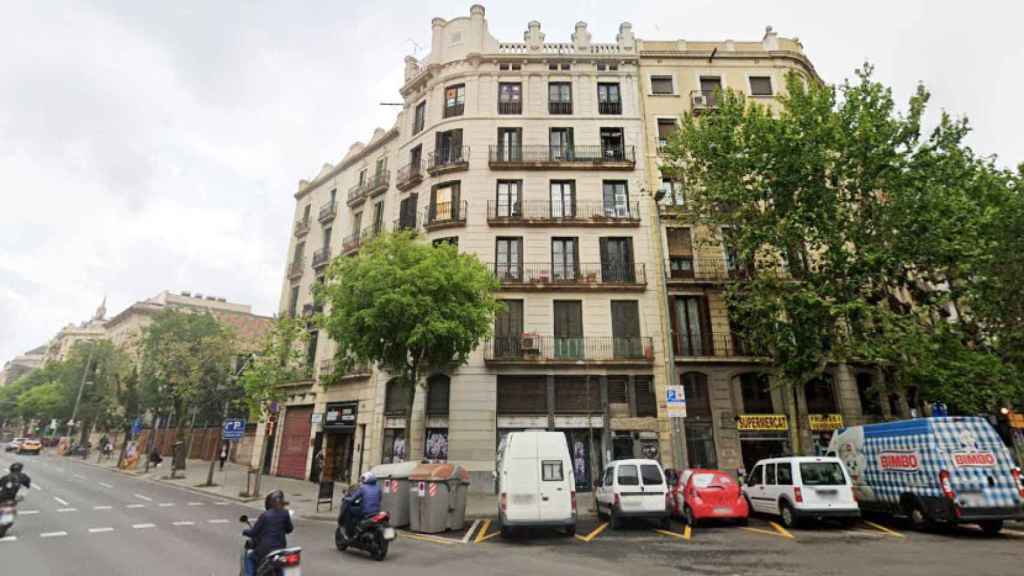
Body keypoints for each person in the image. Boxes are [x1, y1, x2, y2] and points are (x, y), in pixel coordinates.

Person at [243, 489, 293, 576]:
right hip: (280, 550)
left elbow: (254, 532)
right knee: (282, 565)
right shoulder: (285, 513)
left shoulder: (265, 515)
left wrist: (245, 531)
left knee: (249, 557)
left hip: (265, 550)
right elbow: (290, 529)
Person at [340, 471, 381, 539]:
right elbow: (379, 499)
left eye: (363, 478)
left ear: (367, 479)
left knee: (349, 510)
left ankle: (348, 532)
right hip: (376, 512)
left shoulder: (363, 488)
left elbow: (352, 499)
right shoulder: (378, 487)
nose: (362, 480)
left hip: (366, 512)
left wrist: (345, 498)